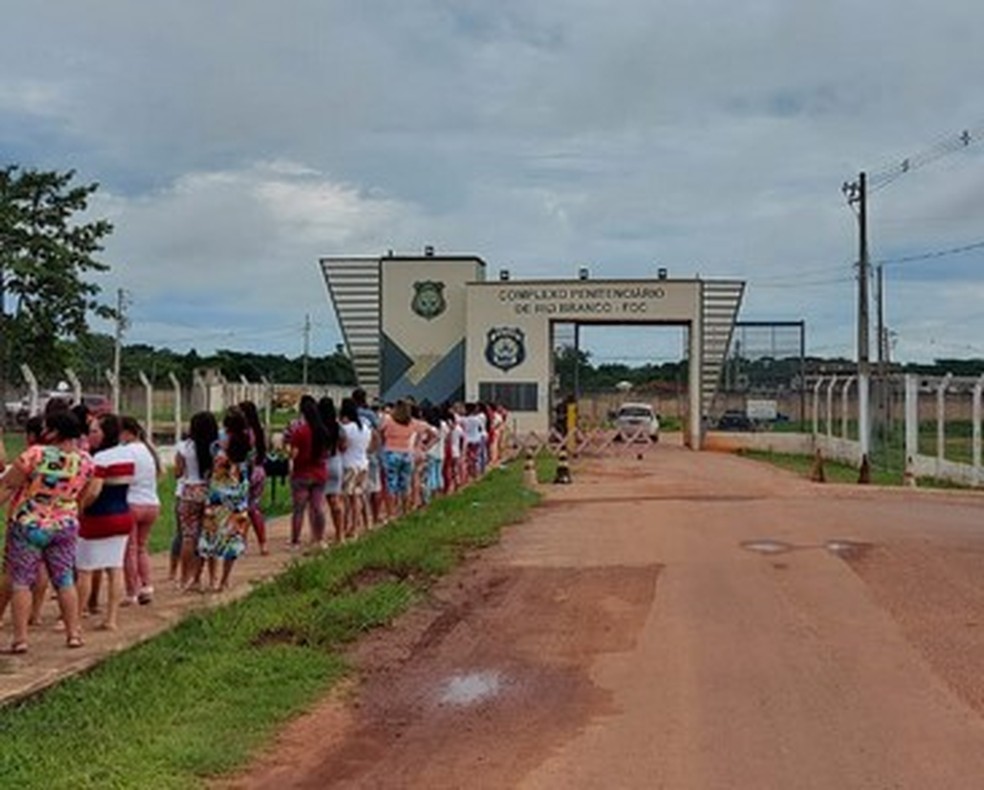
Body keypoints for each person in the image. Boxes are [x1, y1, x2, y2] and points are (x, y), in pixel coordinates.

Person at [0, 410, 96, 652]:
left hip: (29, 524)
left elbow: (8, 485)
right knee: (64, 579)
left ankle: (20, 639)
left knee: (21, 581)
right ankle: (73, 634)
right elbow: (82, 495)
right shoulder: (86, 460)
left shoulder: (35, 454)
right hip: (65, 525)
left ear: (53, 431)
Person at [77, 413, 135, 632]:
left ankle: (76, 619)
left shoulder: (101, 458)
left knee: (84, 568)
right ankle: (111, 618)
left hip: (98, 517)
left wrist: (80, 507)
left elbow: (94, 491)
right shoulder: (127, 454)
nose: (90, 436)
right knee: (114, 568)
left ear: (106, 433)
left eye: (95, 431)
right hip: (122, 514)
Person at [196, 408, 252, 591]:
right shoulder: (246, 445)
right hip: (237, 499)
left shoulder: (220, 450)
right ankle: (224, 580)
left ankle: (211, 578)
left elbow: (215, 471)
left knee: (212, 536)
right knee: (232, 539)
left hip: (218, 499)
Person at [174, 411, 218, 590]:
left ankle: (185, 578)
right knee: (210, 537)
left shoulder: (184, 447)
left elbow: (178, 473)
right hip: (210, 492)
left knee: (188, 537)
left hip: (189, 491)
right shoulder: (216, 448)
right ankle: (213, 578)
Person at [120, 416, 161, 606]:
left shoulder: (125, 451)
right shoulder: (149, 450)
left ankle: (132, 592)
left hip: (132, 502)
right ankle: (147, 586)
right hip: (151, 502)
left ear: (127, 433)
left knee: (130, 549)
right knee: (142, 547)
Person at [285, 395, 329, 550]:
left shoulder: (300, 431)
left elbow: (294, 454)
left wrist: (288, 454)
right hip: (319, 473)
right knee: (318, 508)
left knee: (299, 509)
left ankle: (295, 541)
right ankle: (320, 538)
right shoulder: (323, 431)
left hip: (302, 473)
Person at [238, 400, 269, 556]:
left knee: (242, 509)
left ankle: (242, 543)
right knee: (254, 509)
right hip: (259, 470)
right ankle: (263, 544)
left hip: (246, 472)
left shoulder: (244, 433)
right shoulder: (259, 431)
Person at [339, 397, 373, 537]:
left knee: (347, 498)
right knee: (358, 496)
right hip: (363, 464)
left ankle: (347, 526)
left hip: (348, 465)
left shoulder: (345, 429)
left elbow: (343, 446)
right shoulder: (365, 428)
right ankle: (356, 525)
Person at [317, 396, 347, 544]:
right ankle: (340, 534)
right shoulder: (338, 427)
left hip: (320, 464)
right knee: (335, 500)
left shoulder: (316, 427)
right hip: (335, 462)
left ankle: (320, 537)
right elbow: (344, 446)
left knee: (319, 503)